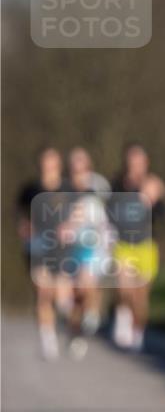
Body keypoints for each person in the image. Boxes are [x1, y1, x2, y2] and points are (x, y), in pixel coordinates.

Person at [108, 144, 165, 352]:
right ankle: (123, 317)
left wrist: (153, 199)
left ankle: (138, 331)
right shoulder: (116, 184)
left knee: (140, 296)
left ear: (146, 163)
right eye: (131, 161)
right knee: (124, 287)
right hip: (123, 244)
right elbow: (108, 212)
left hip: (146, 245)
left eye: (139, 161)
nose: (135, 165)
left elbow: (163, 216)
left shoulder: (153, 184)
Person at [15, 147, 71, 360]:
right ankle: (47, 339)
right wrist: (23, 226)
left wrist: (70, 226)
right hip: (37, 245)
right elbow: (18, 213)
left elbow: (80, 213)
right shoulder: (30, 189)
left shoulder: (68, 188)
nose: (48, 167)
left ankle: (65, 317)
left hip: (62, 248)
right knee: (42, 292)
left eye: (52, 162)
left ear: (58, 164)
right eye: (44, 162)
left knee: (59, 296)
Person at [58, 154, 112, 358]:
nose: (77, 174)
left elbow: (98, 221)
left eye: (81, 170)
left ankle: (92, 313)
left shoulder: (97, 190)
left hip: (94, 249)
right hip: (71, 251)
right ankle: (76, 333)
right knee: (69, 300)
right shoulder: (63, 192)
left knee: (85, 284)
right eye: (73, 169)